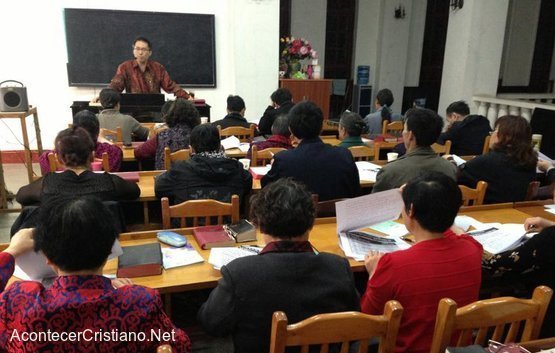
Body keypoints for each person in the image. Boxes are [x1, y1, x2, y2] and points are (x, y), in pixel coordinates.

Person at [0, 197, 191, 353]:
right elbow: (180, 344)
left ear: (47, 257)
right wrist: (131, 293)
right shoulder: (140, 301)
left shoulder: (18, 300)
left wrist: (12, 251)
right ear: (110, 250)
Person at [198, 178, 360, 353]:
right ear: (311, 223)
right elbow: (354, 323)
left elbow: (211, 323)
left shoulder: (239, 273)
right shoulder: (338, 267)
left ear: (260, 225)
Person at [361, 172, 483, 353]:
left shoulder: (391, 265)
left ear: (410, 210)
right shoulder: (473, 250)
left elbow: (366, 322)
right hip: (456, 349)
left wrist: (373, 276)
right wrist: (442, 211)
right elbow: (460, 235)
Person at [261, 101, 360, 201]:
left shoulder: (283, 160)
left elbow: (265, 189)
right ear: (321, 128)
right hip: (336, 216)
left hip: (298, 216)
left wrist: (274, 166)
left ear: (291, 130)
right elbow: (356, 193)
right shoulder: (344, 155)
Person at [17, 127, 139, 207]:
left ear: (59, 159)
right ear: (92, 156)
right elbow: (135, 191)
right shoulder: (109, 182)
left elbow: (20, 196)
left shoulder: (46, 184)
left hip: (58, 244)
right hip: (103, 243)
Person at [482, 216, 555, 337]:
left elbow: (498, 262)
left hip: (544, 323)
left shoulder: (550, 237)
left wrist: (464, 239)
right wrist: (550, 224)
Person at [155, 124, 252, 207]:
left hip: (188, 227)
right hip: (227, 227)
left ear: (191, 149)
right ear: (220, 147)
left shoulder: (180, 170)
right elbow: (248, 185)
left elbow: (159, 189)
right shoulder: (236, 168)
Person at [372, 108, 457, 193]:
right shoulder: (450, 169)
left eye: (404, 129)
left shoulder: (390, 172)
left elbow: (376, 203)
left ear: (410, 135)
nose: (402, 133)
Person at [458, 115, 537, 203]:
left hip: (482, 213)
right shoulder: (530, 162)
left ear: (505, 136)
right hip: (516, 212)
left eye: (495, 130)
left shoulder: (485, 161)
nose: (491, 134)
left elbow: (459, 185)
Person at [39, 110, 123, 174]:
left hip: (65, 194)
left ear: (74, 130)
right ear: (97, 132)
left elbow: (43, 159)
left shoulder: (54, 156)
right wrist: (102, 138)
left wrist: (61, 145)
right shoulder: (111, 152)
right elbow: (118, 151)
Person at [109, 36, 190, 99]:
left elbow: (170, 86)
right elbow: (115, 85)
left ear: (150, 52)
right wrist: (104, 96)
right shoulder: (125, 67)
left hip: (154, 109)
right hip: (133, 109)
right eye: (137, 49)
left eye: (144, 49)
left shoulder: (158, 68)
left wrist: (187, 96)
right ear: (133, 51)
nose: (140, 52)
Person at [135, 98, 200, 170]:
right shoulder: (199, 135)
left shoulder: (162, 135)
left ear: (170, 116)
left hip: (164, 178)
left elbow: (138, 153)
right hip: (194, 178)